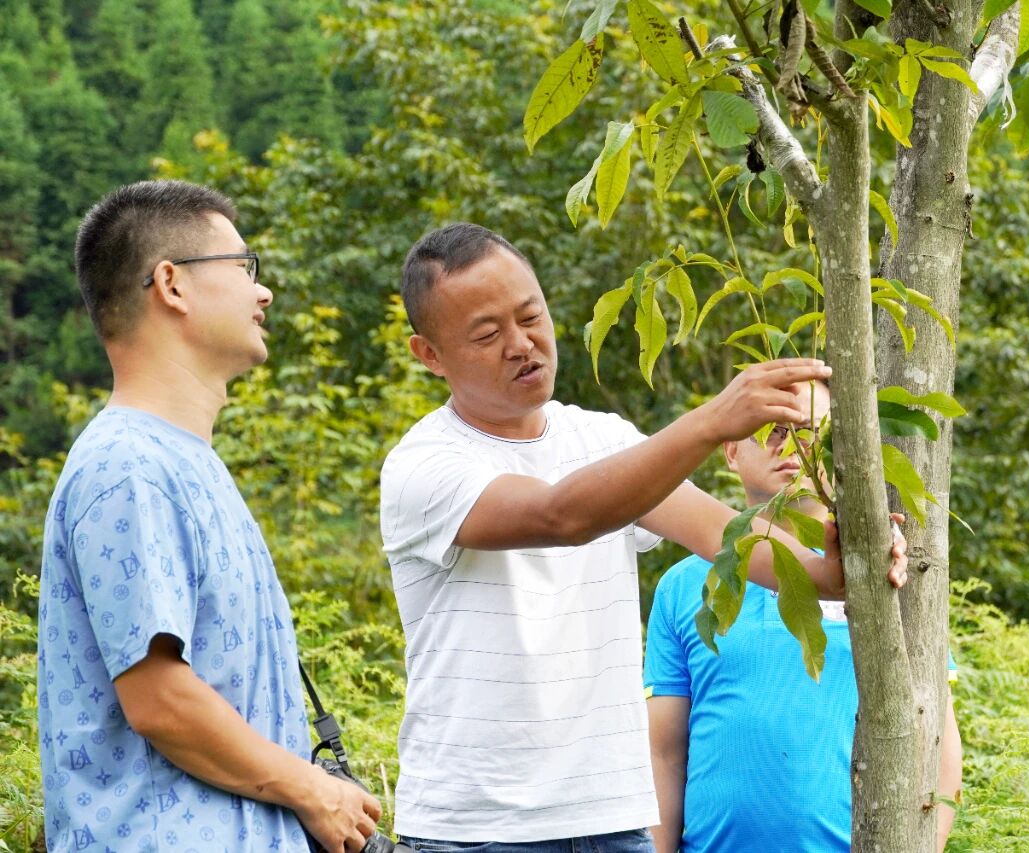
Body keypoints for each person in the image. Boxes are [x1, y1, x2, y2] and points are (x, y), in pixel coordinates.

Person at [379, 223, 909, 852]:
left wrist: (835, 569)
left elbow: (725, 535)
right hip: (477, 831)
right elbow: (560, 516)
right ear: (430, 355)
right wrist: (713, 421)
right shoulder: (424, 466)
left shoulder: (604, 440)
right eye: (488, 335)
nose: (522, 345)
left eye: (531, 316)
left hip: (612, 823)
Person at [37, 180, 381, 853]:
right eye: (244, 267)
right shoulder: (129, 465)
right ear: (172, 284)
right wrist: (315, 790)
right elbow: (160, 699)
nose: (264, 291)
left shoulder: (184, 462)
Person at [644, 379, 963, 852]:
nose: (791, 444)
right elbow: (663, 753)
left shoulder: (885, 572)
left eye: (811, 430)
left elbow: (937, 738)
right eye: (771, 430)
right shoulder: (683, 586)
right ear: (731, 451)